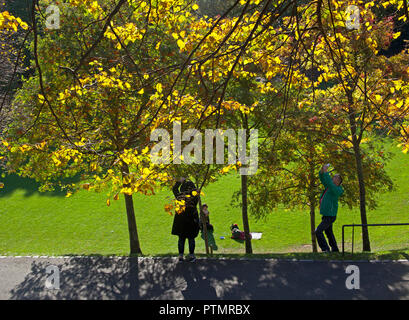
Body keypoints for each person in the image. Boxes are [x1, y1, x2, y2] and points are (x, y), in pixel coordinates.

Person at [315, 164, 344, 253]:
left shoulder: (337, 189)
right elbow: (323, 179)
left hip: (330, 216)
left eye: (335, 177)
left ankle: (325, 249)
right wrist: (322, 171)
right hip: (326, 215)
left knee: (318, 231)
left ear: (338, 181)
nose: (333, 178)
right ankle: (335, 249)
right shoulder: (330, 186)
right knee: (329, 233)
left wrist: (326, 172)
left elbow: (329, 183)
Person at [171, 177, 200, 262]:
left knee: (181, 238)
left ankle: (181, 255)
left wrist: (179, 182)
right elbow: (196, 195)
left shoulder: (180, 197)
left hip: (181, 220)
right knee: (191, 238)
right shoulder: (194, 197)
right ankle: (191, 255)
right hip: (191, 220)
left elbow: (174, 189)